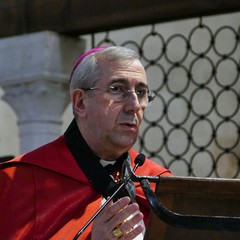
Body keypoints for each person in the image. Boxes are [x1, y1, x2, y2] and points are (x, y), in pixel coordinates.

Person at [0, 46, 172, 240]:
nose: (134, 106)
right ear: (81, 102)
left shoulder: (159, 184)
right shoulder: (16, 181)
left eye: (141, 92)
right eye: (117, 89)